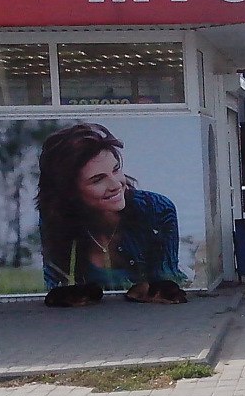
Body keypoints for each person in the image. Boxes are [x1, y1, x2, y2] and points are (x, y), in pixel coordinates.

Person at [37, 123, 186, 290]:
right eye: (97, 180)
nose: (117, 185)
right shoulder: (56, 218)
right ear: (69, 192)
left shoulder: (157, 210)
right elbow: (56, 287)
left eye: (116, 170)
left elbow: (166, 287)